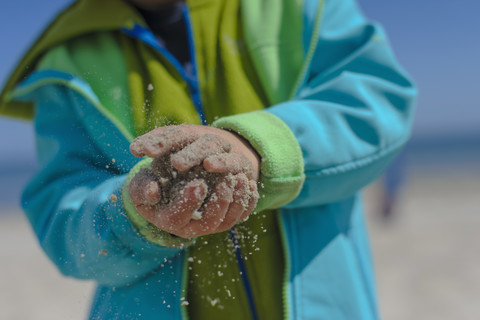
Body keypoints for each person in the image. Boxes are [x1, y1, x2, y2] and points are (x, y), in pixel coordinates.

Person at [0, 0, 416, 319]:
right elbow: (62, 217)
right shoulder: (69, 58)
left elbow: (378, 105)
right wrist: (130, 213)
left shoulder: (294, 8)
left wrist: (257, 149)